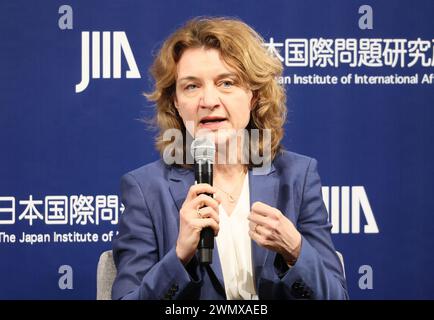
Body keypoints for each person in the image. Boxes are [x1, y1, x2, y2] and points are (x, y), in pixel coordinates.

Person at [111, 17, 348, 300]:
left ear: (253, 95)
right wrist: (179, 256)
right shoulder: (146, 189)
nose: (208, 100)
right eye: (191, 86)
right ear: (175, 101)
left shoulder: (297, 176)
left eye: (226, 82)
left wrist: (295, 249)